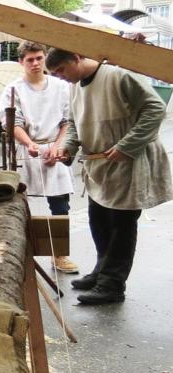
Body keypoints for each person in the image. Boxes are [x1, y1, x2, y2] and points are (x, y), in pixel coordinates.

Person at [46, 48, 172, 305]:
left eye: (61, 70)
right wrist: (67, 148)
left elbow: (155, 109)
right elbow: (74, 123)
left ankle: (113, 285)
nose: (60, 77)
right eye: (55, 74)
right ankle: (101, 272)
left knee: (121, 225)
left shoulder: (118, 74)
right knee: (99, 220)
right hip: (99, 166)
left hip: (128, 163)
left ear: (77, 57)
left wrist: (127, 145)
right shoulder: (74, 86)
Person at [0, 41, 78, 274]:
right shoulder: (13, 90)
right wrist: (29, 143)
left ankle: (60, 254)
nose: (35, 64)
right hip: (27, 151)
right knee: (20, 206)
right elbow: (11, 122)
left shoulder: (61, 87)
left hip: (56, 147)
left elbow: (68, 121)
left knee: (60, 205)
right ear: (21, 63)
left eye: (39, 58)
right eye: (30, 60)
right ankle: (21, 254)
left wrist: (58, 146)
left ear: (45, 58)